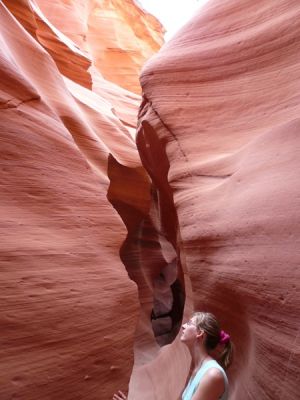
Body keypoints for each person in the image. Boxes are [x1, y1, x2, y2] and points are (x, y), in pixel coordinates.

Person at [113, 311, 233, 400]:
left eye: (190, 323)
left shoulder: (213, 375)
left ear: (200, 333)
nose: (183, 326)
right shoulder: (199, 369)